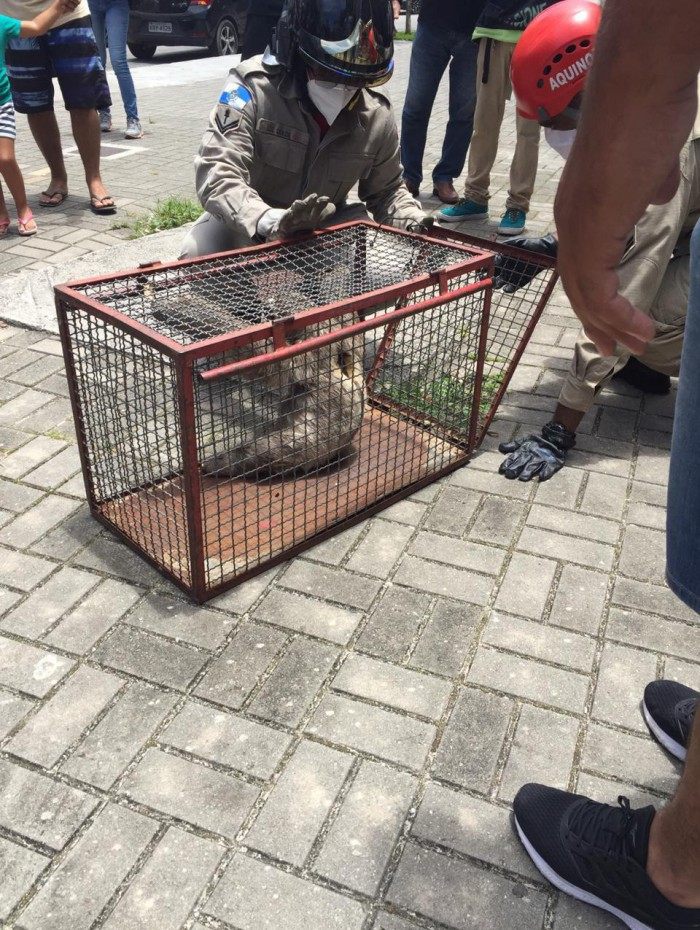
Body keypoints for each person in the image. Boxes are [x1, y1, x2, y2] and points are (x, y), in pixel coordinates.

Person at [511, 0, 700, 927]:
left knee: (640, 316)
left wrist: (564, 423)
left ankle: (676, 870)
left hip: (656, 309)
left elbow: (625, 280)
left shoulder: (673, 127)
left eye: (571, 125)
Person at [495, 0, 698, 484]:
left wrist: (559, 430)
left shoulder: (662, 144)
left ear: (590, 98)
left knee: (627, 310)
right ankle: (642, 363)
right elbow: (623, 217)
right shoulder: (652, 102)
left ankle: (654, 356)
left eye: (556, 124)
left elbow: (628, 287)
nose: (553, 137)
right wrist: (557, 247)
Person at [182, 0, 427, 260]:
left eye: (357, 81)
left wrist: (413, 220)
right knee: (199, 250)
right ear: (296, 52)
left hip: (324, 227)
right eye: (331, 76)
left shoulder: (376, 111)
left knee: (387, 263)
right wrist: (267, 219)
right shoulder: (252, 89)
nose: (344, 88)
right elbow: (217, 171)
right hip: (251, 219)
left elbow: (387, 191)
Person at [437, 0, 559, 235]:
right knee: (484, 124)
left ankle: (518, 205)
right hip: (493, 33)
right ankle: (475, 197)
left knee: (528, 131)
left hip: (539, 37)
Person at [2, 0, 115, 213]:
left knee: (84, 100)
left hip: (69, 14)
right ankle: (58, 177)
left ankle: (94, 179)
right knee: (36, 104)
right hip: (16, 20)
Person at [0, 0, 78, 236]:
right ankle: (1, 213)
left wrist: (59, 6)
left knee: (5, 158)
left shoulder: (1, 23)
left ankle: (23, 209)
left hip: (1, 103)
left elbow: (35, 27)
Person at [399, 0, 486, 205]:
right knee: (415, 106)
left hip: (475, 31)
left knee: (464, 113)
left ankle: (445, 177)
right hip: (432, 24)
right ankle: (409, 175)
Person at [88, 0, 142, 139]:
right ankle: (103, 112)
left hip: (116, 3)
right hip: (92, 4)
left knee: (119, 62)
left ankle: (133, 119)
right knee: (97, 63)